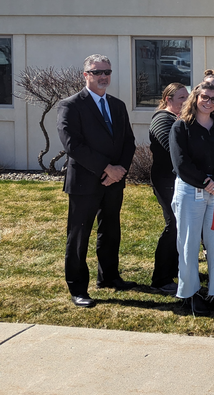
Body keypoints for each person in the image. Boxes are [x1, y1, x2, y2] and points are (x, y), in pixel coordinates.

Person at [56, 54, 137, 308]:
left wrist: (120, 170)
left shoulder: (117, 105)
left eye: (107, 72)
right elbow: (73, 145)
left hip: (114, 182)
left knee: (111, 230)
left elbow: (129, 141)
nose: (103, 76)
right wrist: (106, 168)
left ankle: (109, 276)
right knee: (79, 236)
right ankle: (78, 288)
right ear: (86, 75)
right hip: (84, 182)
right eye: (97, 72)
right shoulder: (70, 105)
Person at [170, 82, 214, 315]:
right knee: (188, 244)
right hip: (191, 190)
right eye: (205, 97)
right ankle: (190, 294)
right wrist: (205, 182)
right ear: (196, 98)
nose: (209, 102)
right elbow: (181, 163)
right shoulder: (181, 127)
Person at [148, 82, 189, 295]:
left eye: (187, 97)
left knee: (180, 225)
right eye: (181, 98)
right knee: (173, 224)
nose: (186, 101)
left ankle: (175, 270)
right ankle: (161, 279)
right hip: (166, 180)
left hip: (178, 180)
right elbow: (172, 148)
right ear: (168, 100)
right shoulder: (162, 119)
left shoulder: (179, 119)